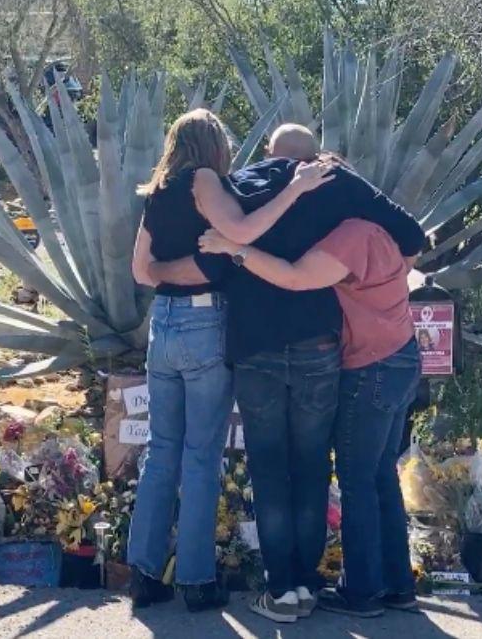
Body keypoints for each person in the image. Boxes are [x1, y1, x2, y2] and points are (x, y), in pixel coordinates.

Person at [149, 124, 425, 623]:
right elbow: (408, 236)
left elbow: (209, 260)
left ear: (267, 154)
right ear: (315, 157)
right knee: (314, 465)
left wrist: (157, 273)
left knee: (270, 468)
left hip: (256, 348)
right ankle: (312, 579)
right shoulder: (338, 187)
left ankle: (284, 588)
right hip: (321, 348)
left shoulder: (236, 190)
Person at [128, 110, 332, 613]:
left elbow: (142, 270)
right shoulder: (203, 179)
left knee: (161, 450)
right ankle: (195, 580)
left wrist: (169, 270)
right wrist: (295, 188)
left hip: (164, 325)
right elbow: (241, 230)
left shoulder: (158, 190)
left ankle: (143, 572)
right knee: (200, 454)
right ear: (212, 144)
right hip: (203, 325)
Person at [200, 212, 422, 617]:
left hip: (369, 366)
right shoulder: (381, 231)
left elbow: (295, 277)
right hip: (401, 354)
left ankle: (363, 592)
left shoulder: (350, 236)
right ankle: (397, 586)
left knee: (356, 480)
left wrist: (235, 247)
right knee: (380, 474)